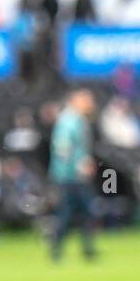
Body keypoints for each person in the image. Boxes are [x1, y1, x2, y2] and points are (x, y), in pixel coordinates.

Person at [48, 89, 99, 262]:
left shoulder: (76, 119)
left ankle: (85, 248)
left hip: (74, 175)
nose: (90, 104)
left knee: (83, 211)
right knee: (68, 213)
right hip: (70, 176)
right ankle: (57, 248)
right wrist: (79, 164)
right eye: (86, 100)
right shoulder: (69, 120)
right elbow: (63, 148)